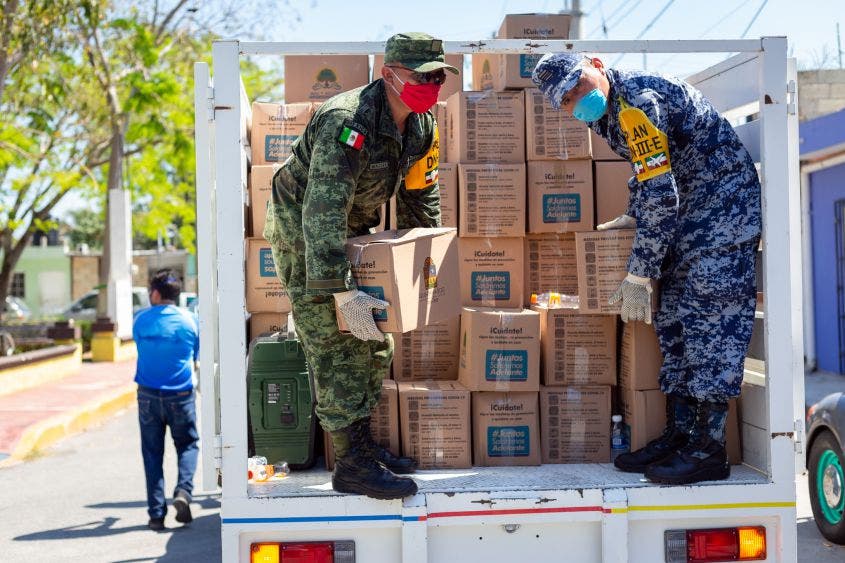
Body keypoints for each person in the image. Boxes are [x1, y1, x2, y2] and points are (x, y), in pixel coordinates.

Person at [532, 53, 761, 485]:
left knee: (709, 330)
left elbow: (660, 191)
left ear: (596, 65)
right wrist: (633, 215)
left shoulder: (637, 99)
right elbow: (649, 170)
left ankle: (708, 450)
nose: (577, 99)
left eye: (579, 85)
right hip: (688, 218)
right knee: (674, 325)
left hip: (720, 216)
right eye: (566, 99)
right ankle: (681, 435)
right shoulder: (607, 112)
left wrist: (639, 272)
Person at [263, 32, 457, 499]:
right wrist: (340, 289)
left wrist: (423, 260)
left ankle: (363, 448)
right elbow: (320, 212)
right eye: (422, 76)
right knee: (335, 346)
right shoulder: (346, 121)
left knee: (374, 343)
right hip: (306, 237)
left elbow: (420, 197)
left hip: (352, 233)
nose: (431, 85)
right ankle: (350, 466)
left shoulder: (422, 126)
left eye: (438, 76)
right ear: (388, 75)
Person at [133, 269, 200, 530]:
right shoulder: (190, 321)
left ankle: (156, 515)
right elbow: (195, 355)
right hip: (180, 395)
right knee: (187, 445)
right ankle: (183, 491)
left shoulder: (140, 320)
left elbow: (141, 346)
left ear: (156, 293)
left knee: (152, 454)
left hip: (148, 395)